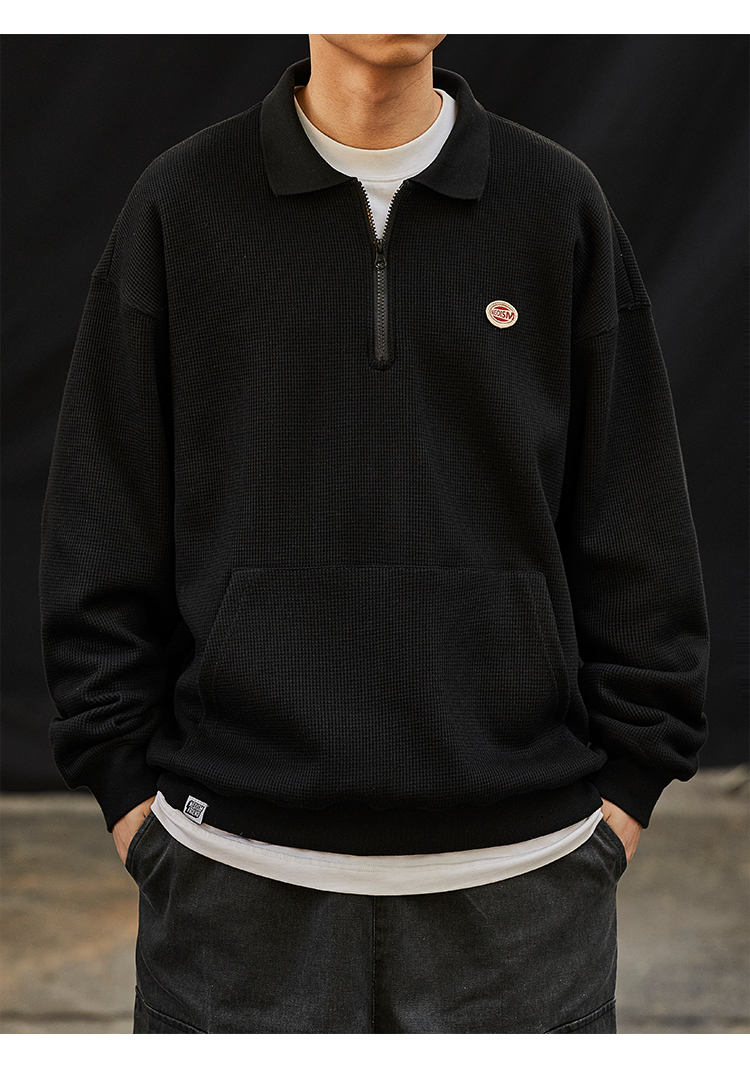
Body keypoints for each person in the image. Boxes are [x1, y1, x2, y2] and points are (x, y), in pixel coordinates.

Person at [40, 35, 709, 1034]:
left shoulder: (554, 203)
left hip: (524, 888)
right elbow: (103, 516)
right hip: (234, 883)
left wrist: (628, 790)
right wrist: (129, 794)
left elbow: (636, 517)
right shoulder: (184, 205)